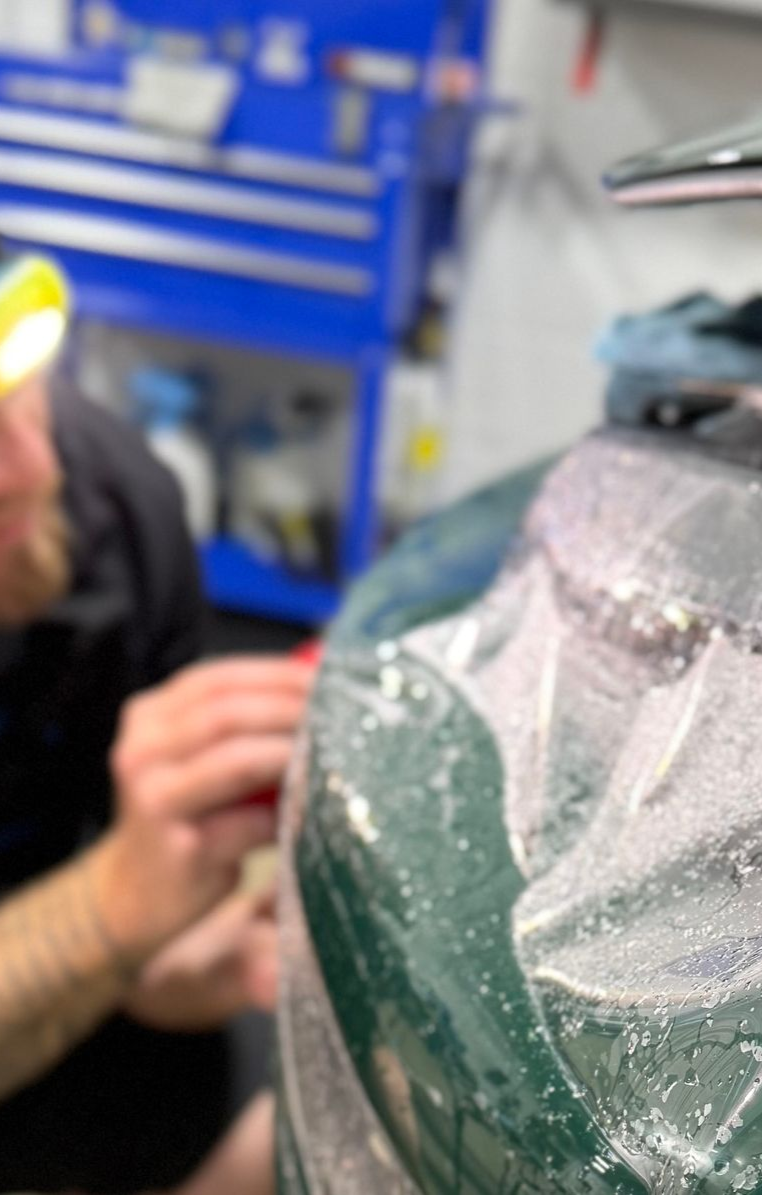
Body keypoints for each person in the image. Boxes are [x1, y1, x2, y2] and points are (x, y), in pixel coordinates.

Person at [0, 258, 313, 1193]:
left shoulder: (118, 500)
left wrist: (166, 956)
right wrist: (114, 910)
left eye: (18, 381)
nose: (30, 468)